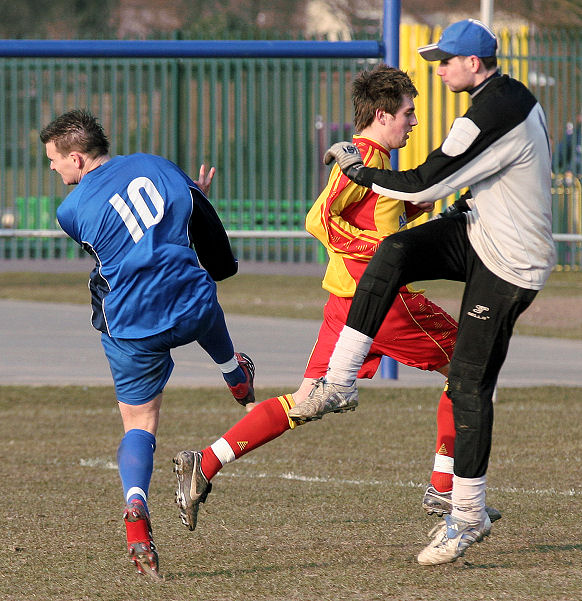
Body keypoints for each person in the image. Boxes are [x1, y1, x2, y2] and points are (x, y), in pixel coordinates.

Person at [172, 64, 501, 537]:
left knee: (305, 402)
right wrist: (389, 256)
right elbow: (319, 220)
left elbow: (378, 214)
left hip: (347, 305)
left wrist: (418, 207)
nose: (413, 122)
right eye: (408, 113)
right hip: (384, 303)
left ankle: (204, 461)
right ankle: (445, 485)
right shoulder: (363, 155)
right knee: (472, 368)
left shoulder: (376, 163)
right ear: (383, 114)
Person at [298, 18, 557, 565]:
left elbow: (424, 183)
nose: (438, 69)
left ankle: (467, 515)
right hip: (480, 231)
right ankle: (340, 382)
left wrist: (360, 171)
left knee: (467, 384)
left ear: (474, 64)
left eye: (446, 60)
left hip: (511, 263)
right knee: (394, 251)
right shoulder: (499, 99)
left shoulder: (493, 110)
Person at [40, 109, 256, 579]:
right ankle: (234, 373)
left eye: (54, 160)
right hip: (189, 305)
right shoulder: (157, 164)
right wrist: (196, 194)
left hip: (135, 324)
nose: (53, 169)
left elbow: (116, 246)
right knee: (200, 295)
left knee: (140, 423)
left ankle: (136, 514)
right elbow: (191, 215)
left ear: (76, 159)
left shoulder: (70, 211)